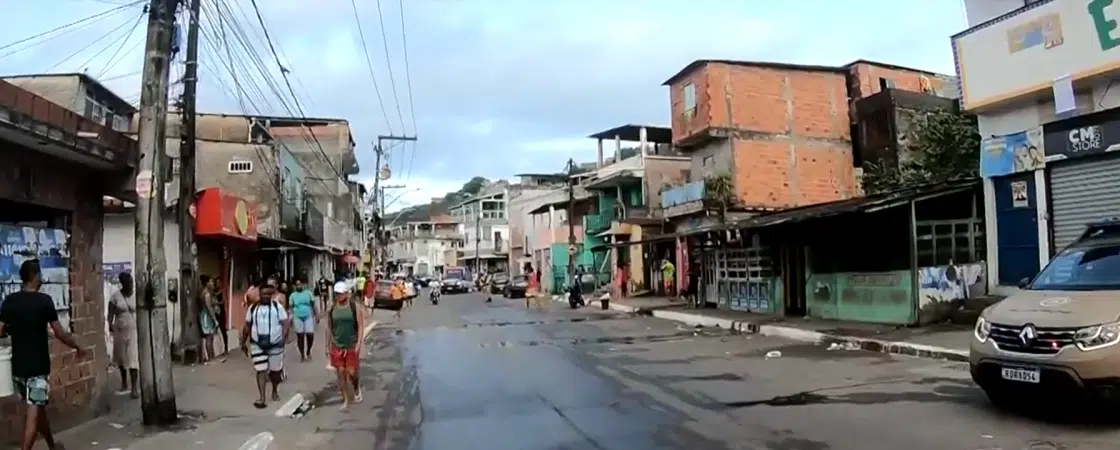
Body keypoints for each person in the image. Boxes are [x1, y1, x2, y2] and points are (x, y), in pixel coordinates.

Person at [0, 260, 85, 450]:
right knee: (33, 412)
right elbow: (60, 333)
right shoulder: (44, 301)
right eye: (39, 274)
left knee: (37, 408)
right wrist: (77, 347)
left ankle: (52, 446)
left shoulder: (10, 301)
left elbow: (0, 331)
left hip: (19, 368)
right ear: (35, 276)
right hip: (37, 369)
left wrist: (13, 330)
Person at [240, 281, 290, 409]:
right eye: (264, 294)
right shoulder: (252, 308)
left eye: (269, 294)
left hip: (275, 343)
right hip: (257, 343)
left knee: (275, 372)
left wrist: (283, 339)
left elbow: (285, 323)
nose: (266, 296)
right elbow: (247, 325)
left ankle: (274, 390)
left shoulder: (277, 307)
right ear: (259, 295)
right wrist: (242, 341)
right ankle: (262, 397)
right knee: (260, 370)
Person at [326, 281, 364, 410]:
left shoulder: (354, 307)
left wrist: (359, 343)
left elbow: (360, 325)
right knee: (341, 372)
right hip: (337, 345)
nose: (339, 296)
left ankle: (356, 387)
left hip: (351, 344)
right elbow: (329, 327)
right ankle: (346, 400)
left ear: (347, 294)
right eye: (337, 294)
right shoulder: (332, 308)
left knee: (352, 372)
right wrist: (328, 345)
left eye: (341, 294)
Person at [107, 271, 139, 398]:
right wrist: (110, 326)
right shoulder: (115, 297)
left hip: (133, 329)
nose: (130, 284)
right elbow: (110, 315)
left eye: (131, 282)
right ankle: (125, 383)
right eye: (127, 282)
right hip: (120, 330)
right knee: (121, 357)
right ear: (122, 283)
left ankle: (134, 387)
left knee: (133, 357)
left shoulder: (136, 295)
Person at [289, 279, 317, 361]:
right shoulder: (292, 295)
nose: (299, 286)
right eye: (297, 285)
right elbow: (291, 307)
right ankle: (302, 354)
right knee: (300, 336)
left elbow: (313, 304)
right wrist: (290, 317)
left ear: (303, 285)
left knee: (310, 335)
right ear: (295, 286)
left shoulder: (308, 293)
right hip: (297, 316)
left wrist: (316, 314)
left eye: (300, 284)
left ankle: (308, 351)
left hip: (308, 315)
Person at [199, 275, 220, 364]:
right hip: (206, 317)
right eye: (211, 282)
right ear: (206, 283)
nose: (212, 284)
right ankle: (211, 358)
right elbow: (209, 308)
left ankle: (212, 357)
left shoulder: (206, 293)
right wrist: (215, 319)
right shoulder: (206, 294)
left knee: (210, 337)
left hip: (206, 316)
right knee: (209, 337)